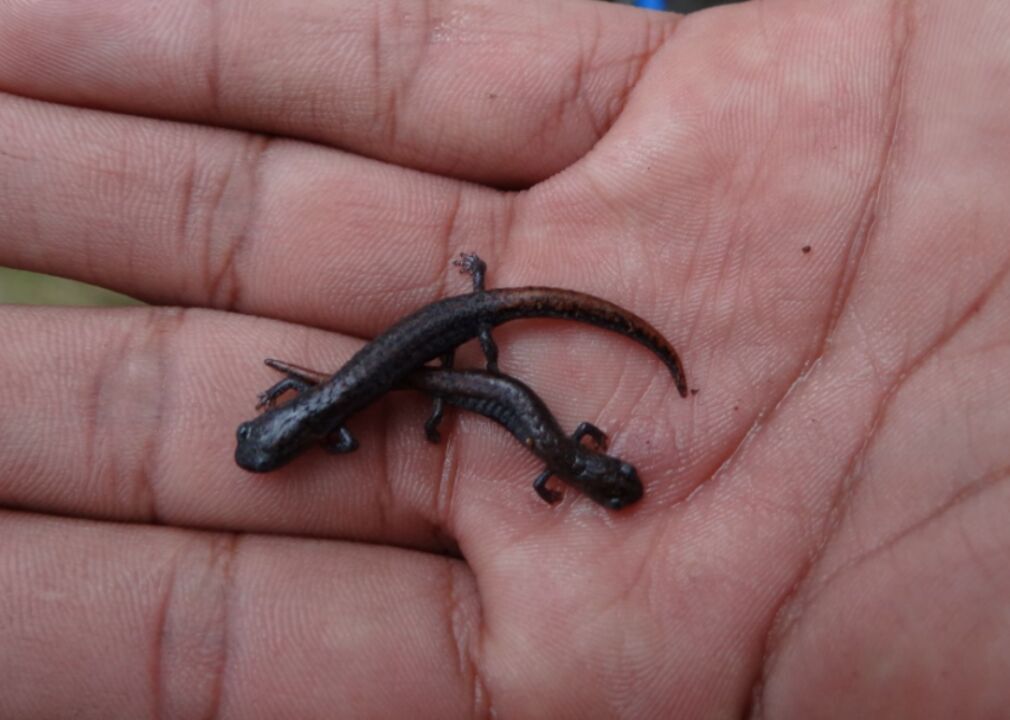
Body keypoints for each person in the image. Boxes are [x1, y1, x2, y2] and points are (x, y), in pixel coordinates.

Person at [1, 0, 1007, 716]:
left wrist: (406, 397)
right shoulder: (335, 413)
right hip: (448, 338)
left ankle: (479, 318)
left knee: (452, 367)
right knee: (446, 370)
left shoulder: (355, 424)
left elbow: (359, 416)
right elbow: (345, 404)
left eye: (273, 436)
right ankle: (477, 317)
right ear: (287, 429)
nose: (281, 436)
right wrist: (374, 393)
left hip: (456, 336)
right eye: (274, 437)